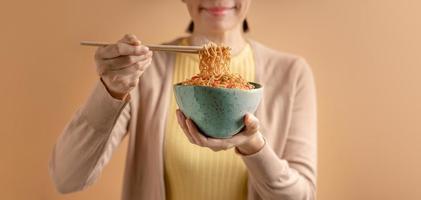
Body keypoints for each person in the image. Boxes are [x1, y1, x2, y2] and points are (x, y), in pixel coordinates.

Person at [49, 0, 317, 199]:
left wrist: (254, 146)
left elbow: (302, 195)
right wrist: (110, 89)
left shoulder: (290, 74)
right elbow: (67, 177)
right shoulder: (147, 71)